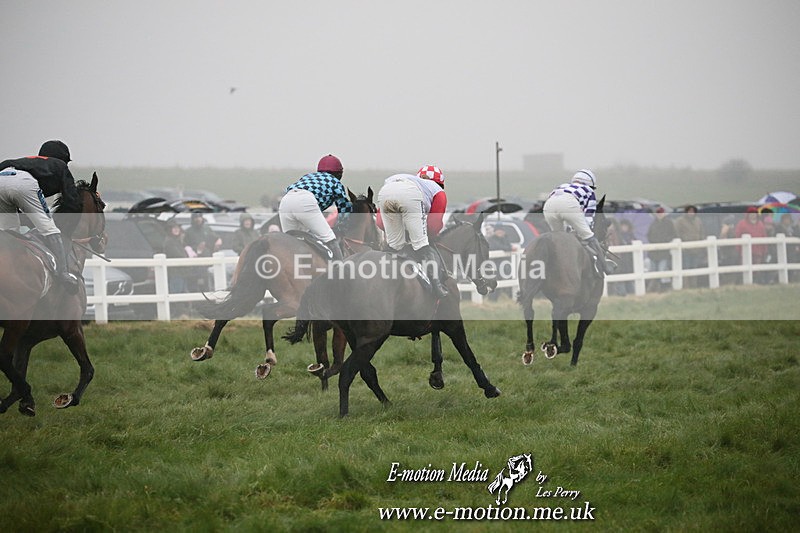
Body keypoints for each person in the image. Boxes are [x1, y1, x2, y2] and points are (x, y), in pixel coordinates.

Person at [0, 140, 81, 292]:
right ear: (62, 158)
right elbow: (72, 201)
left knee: (10, 232)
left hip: (1, 177)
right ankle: (63, 274)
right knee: (51, 229)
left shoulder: (24, 162)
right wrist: (58, 224)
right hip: (23, 182)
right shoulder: (60, 165)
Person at [376, 165, 449, 298]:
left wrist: (403, 233)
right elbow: (433, 226)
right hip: (409, 194)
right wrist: (420, 236)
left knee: (395, 246)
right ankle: (437, 286)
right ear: (440, 183)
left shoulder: (412, 181)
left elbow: (380, 223)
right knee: (421, 244)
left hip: (385, 191)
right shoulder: (438, 191)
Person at [542, 169, 616, 277]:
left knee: (559, 239)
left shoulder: (562, 186)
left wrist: (570, 228)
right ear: (590, 183)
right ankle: (605, 266)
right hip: (568, 204)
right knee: (589, 236)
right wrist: (585, 231)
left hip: (548, 206)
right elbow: (588, 217)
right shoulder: (589, 191)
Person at [278, 154, 352, 261]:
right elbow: (345, 207)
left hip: (285, 201)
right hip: (305, 201)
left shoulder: (307, 176)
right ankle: (339, 268)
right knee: (329, 238)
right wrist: (342, 227)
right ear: (339, 173)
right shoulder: (335, 182)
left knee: (291, 243)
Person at [674, 205, 706, 288]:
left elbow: (702, 233)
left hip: (696, 249)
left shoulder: (698, 220)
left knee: (694, 268)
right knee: (686, 269)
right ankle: (686, 287)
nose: (691, 213)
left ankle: (694, 286)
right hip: (686, 250)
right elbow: (676, 234)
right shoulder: (680, 221)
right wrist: (682, 245)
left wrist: (702, 244)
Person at [647, 207, 677, 292]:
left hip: (664, 251)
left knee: (662, 269)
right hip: (654, 252)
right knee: (654, 271)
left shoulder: (669, 223)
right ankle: (655, 289)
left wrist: (665, 241)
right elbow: (649, 235)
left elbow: (673, 234)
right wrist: (654, 241)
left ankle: (663, 288)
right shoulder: (653, 223)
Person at [735, 207, 767, 283]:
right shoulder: (742, 224)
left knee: (757, 269)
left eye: (754, 213)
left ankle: (756, 282)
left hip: (758, 251)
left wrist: (764, 249)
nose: (753, 215)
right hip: (745, 252)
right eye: (751, 213)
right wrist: (738, 249)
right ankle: (744, 283)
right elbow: (737, 236)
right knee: (745, 269)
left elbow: (764, 236)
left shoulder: (760, 224)